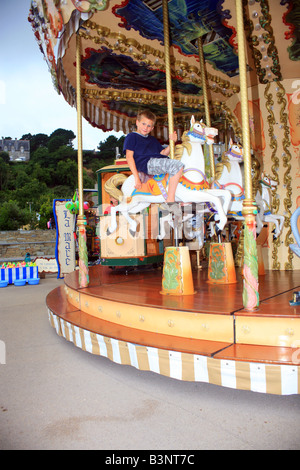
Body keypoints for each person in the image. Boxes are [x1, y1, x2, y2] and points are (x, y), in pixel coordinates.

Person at [123, 109, 184, 203]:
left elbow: (163, 153)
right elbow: (129, 157)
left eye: (149, 126)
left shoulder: (152, 140)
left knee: (183, 168)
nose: (145, 127)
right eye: (143, 124)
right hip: (145, 163)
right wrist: (136, 177)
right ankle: (170, 199)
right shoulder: (132, 137)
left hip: (155, 162)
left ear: (152, 128)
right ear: (137, 123)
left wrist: (172, 143)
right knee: (177, 165)